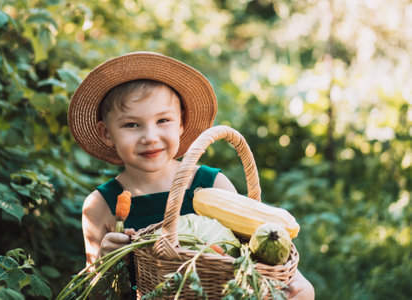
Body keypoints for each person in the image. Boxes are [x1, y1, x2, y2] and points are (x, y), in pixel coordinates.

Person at [68, 51, 314, 299]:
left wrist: (298, 283)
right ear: (106, 133)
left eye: (163, 120)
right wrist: (104, 264)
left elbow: (258, 246)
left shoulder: (211, 185)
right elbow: (96, 293)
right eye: (132, 124)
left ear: (181, 123)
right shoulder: (100, 205)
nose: (150, 136)